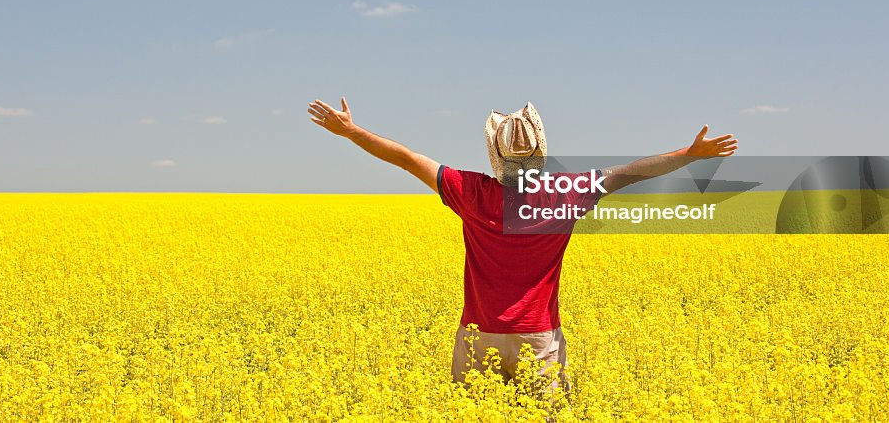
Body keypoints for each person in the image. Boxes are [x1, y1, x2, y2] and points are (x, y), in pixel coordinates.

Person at [307, 96, 737, 386]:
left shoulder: (470, 191)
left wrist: (352, 132)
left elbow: (406, 159)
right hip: (538, 336)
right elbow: (630, 172)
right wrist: (688, 155)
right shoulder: (565, 194)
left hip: (478, 333)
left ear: (494, 156)